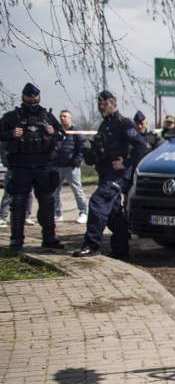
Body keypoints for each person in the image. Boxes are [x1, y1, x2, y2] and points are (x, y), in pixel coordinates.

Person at [73, 91, 147, 259]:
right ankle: (121, 250)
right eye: (99, 104)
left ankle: (91, 245)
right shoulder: (104, 125)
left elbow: (141, 146)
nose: (101, 107)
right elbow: (96, 152)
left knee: (98, 202)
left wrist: (126, 163)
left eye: (104, 104)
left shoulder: (124, 123)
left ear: (113, 103)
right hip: (105, 172)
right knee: (114, 214)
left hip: (117, 175)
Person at [0, 83, 64, 250]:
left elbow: (61, 135)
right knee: (18, 203)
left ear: (39, 96)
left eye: (35, 96)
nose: (32, 99)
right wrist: (11, 134)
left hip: (44, 166)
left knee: (47, 203)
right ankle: (16, 240)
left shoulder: (47, 116)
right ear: (23, 96)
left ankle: (49, 238)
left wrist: (53, 133)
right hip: (21, 166)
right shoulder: (11, 117)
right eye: (29, 96)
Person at [51, 109, 89, 223]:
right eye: (61, 116)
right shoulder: (58, 131)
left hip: (71, 167)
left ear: (70, 118)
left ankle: (83, 213)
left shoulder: (76, 131)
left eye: (65, 116)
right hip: (58, 166)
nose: (63, 118)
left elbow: (82, 147)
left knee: (77, 190)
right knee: (55, 191)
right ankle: (57, 214)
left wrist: (77, 160)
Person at [0, 142, 36, 227]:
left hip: (28, 168)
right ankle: (2, 217)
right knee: (9, 193)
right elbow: (4, 152)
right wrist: (9, 164)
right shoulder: (10, 135)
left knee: (29, 192)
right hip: (13, 168)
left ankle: (26, 216)